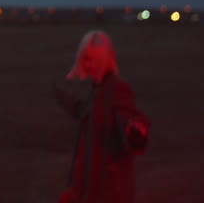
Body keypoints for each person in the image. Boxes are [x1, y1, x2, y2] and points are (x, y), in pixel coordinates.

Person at [54, 30, 151, 203]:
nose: (89, 64)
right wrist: (66, 100)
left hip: (107, 191)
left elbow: (128, 118)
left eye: (94, 59)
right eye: (86, 59)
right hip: (89, 188)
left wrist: (135, 130)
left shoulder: (116, 89)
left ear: (105, 59)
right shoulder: (99, 90)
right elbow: (86, 112)